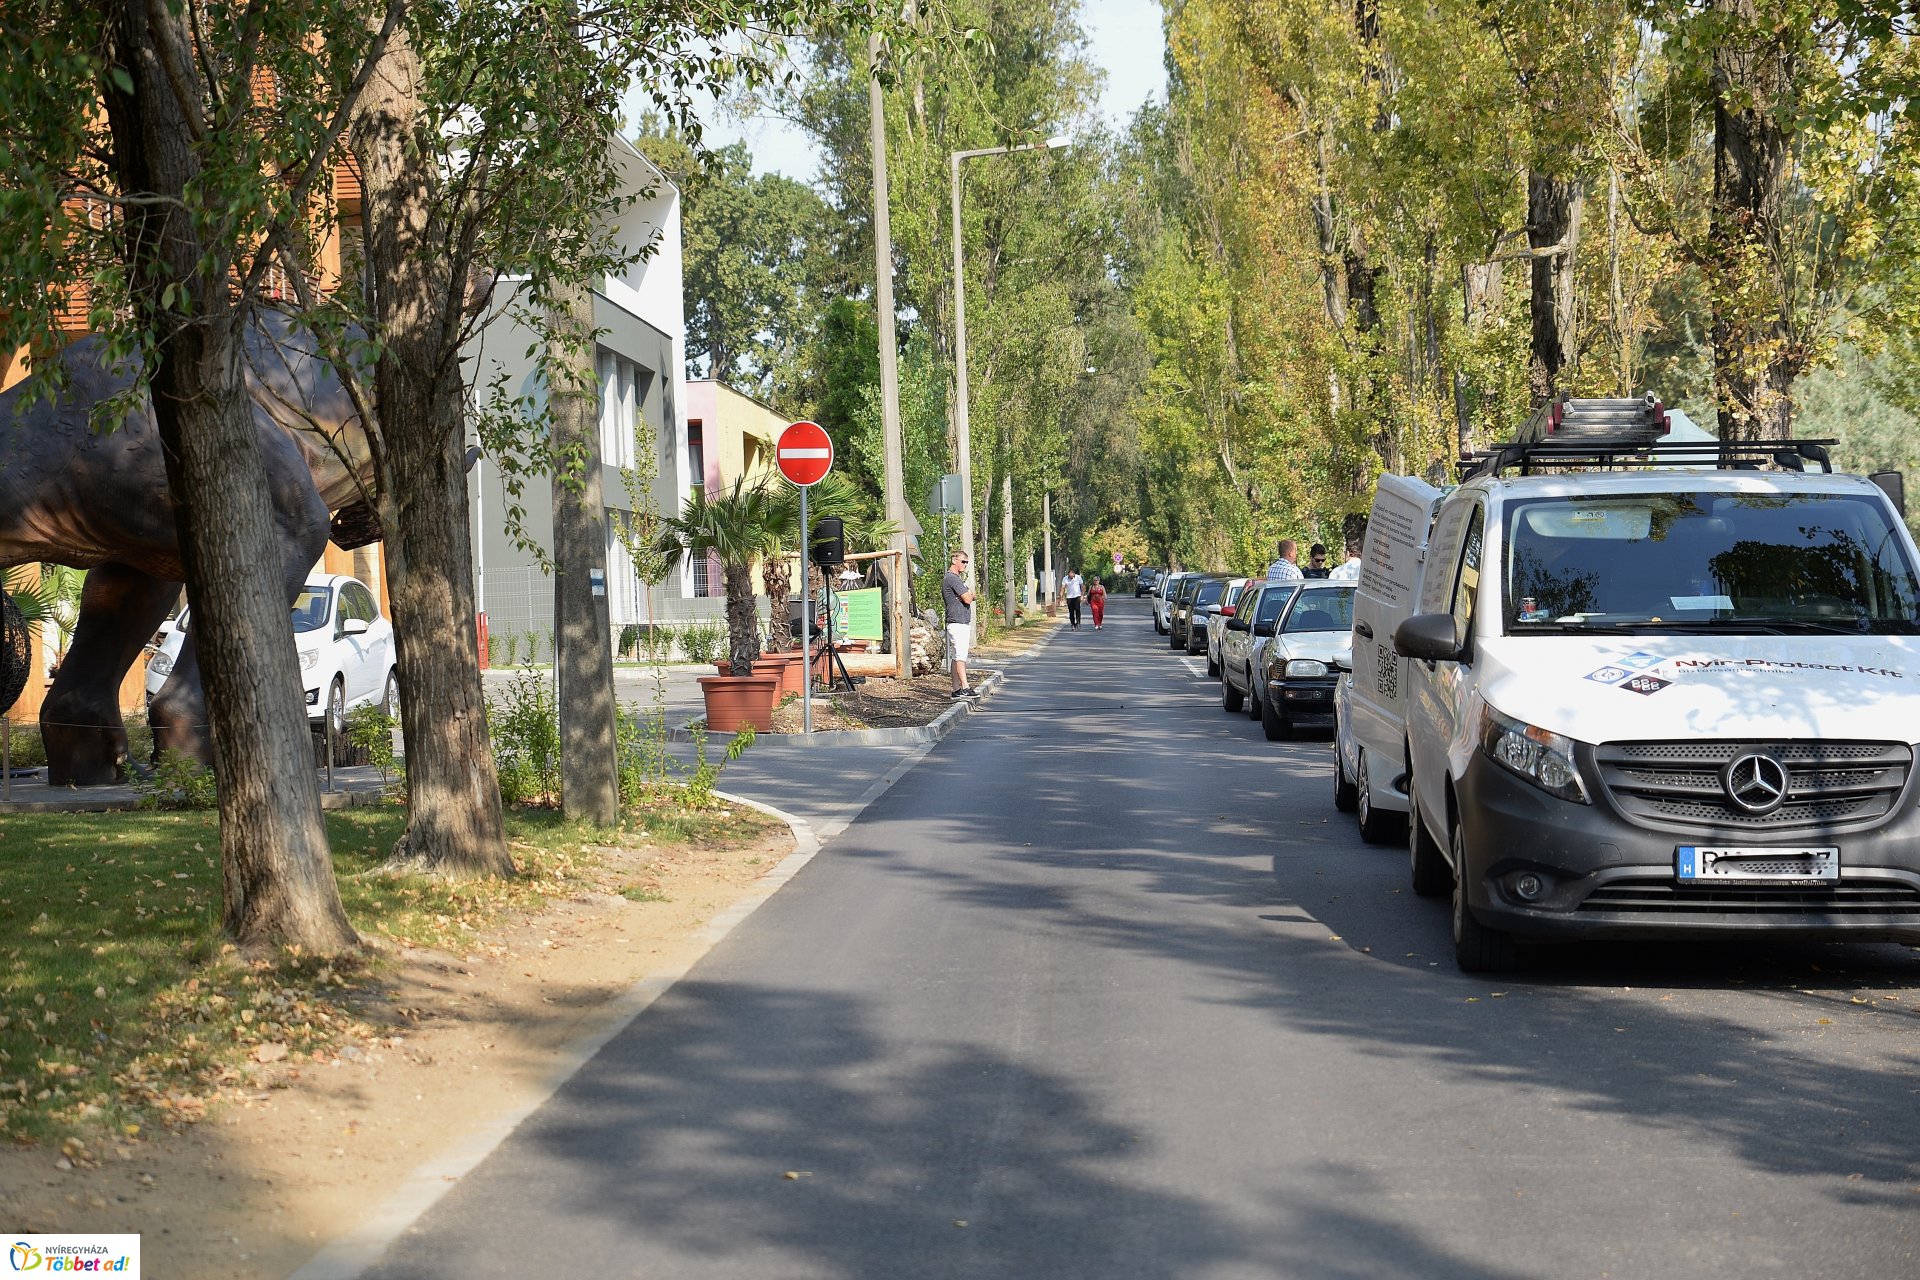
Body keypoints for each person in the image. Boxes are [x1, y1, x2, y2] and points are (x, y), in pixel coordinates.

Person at [943, 551, 978, 699]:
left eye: (966, 562)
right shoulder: (952, 578)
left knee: (956, 657)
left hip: (960, 621)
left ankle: (956, 689)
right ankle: (965, 687)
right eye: (963, 561)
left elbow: (972, 595)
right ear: (954, 560)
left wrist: (968, 595)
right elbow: (968, 598)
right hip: (957, 622)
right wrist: (968, 595)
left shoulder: (956, 579)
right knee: (961, 655)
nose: (965, 565)